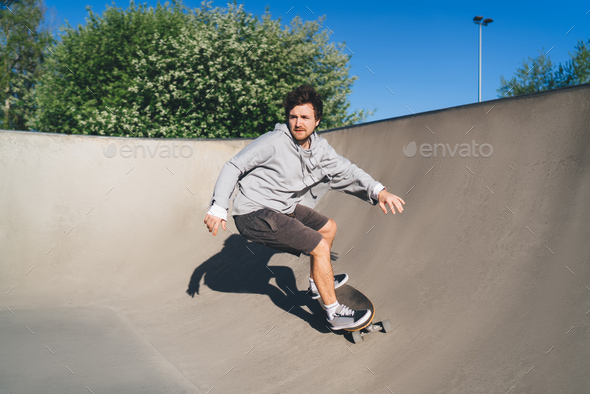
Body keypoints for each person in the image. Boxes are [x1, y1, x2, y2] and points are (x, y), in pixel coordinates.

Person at [204, 84, 405, 330]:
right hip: (253, 212)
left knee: (328, 228)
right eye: (293, 117)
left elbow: (347, 170)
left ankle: (314, 284)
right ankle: (335, 315)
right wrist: (218, 206)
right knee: (319, 248)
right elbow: (234, 166)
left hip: (282, 207)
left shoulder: (320, 149)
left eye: (305, 118)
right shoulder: (275, 141)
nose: (298, 123)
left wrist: (378, 191)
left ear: (317, 121)